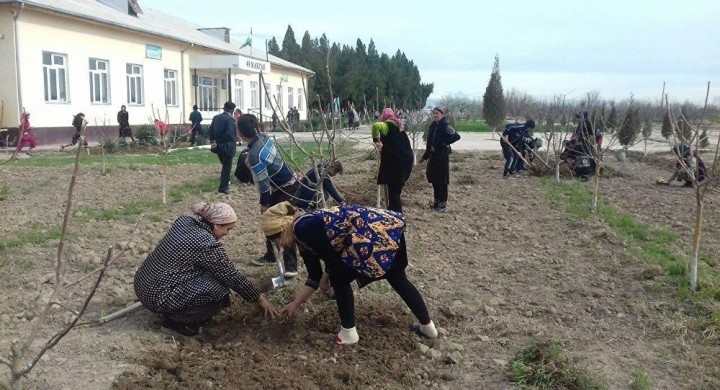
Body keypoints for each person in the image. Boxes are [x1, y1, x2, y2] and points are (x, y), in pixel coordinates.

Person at [260, 201, 439, 345]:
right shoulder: (301, 235)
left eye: (276, 239)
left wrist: (326, 277)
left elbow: (333, 261)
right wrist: (295, 304)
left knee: (339, 277)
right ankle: (428, 328)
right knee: (397, 278)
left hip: (374, 234)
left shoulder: (304, 228)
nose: (278, 245)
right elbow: (314, 275)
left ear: (283, 229)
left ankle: (348, 333)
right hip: (387, 230)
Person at [134, 202, 277, 337]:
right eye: (228, 229)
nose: (227, 233)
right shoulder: (205, 243)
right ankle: (175, 323)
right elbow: (231, 276)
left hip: (144, 283)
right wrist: (259, 299)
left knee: (210, 275)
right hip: (156, 295)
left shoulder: (185, 222)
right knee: (219, 292)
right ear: (216, 225)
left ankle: (173, 310)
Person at [237, 113, 299, 277]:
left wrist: (264, 203)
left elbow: (264, 184)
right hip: (285, 184)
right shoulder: (263, 137)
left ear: (240, 134)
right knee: (270, 221)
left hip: (286, 189)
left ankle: (291, 267)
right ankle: (271, 255)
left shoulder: (254, 155)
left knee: (284, 224)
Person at [372, 107, 414, 213]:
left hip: (395, 165)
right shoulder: (399, 126)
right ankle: (392, 213)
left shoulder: (386, 125)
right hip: (406, 162)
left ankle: (396, 216)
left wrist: (376, 140)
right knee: (396, 192)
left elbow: (375, 125)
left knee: (394, 194)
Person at [419, 106, 461, 213]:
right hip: (433, 157)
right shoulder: (432, 126)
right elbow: (429, 143)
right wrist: (425, 156)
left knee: (441, 181)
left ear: (442, 114)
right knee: (434, 180)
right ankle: (436, 203)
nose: (435, 115)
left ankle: (442, 205)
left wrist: (444, 143)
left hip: (441, 157)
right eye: (434, 113)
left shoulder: (445, 126)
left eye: (437, 113)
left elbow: (456, 136)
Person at [208, 101, 238, 195]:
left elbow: (211, 131)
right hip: (227, 146)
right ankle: (223, 187)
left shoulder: (216, 118)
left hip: (217, 146)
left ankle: (226, 181)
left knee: (224, 164)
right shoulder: (230, 120)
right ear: (232, 110)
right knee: (227, 167)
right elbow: (229, 133)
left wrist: (214, 142)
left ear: (224, 108)